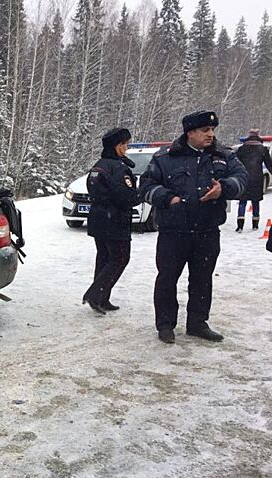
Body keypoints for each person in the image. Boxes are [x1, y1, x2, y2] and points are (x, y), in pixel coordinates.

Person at [139, 110, 248, 344]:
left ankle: (198, 323)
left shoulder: (223, 155)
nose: (211, 134)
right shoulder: (165, 157)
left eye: (212, 130)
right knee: (167, 278)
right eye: (205, 130)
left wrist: (224, 188)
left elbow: (242, 178)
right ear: (190, 133)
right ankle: (166, 325)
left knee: (202, 279)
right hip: (173, 232)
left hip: (207, 231)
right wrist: (168, 198)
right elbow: (146, 185)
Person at [82, 127, 140, 314]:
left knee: (105, 258)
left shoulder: (99, 165)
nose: (126, 148)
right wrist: (141, 194)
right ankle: (96, 294)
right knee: (119, 258)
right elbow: (126, 197)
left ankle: (102, 298)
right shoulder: (118, 168)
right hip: (115, 220)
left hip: (99, 219)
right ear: (117, 146)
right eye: (124, 144)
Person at [234, 128, 272, 232]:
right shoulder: (263, 149)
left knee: (242, 202)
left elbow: (235, 163)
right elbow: (269, 165)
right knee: (255, 202)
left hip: (244, 178)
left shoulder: (242, 149)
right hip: (257, 179)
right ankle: (255, 225)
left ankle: (240, 226)